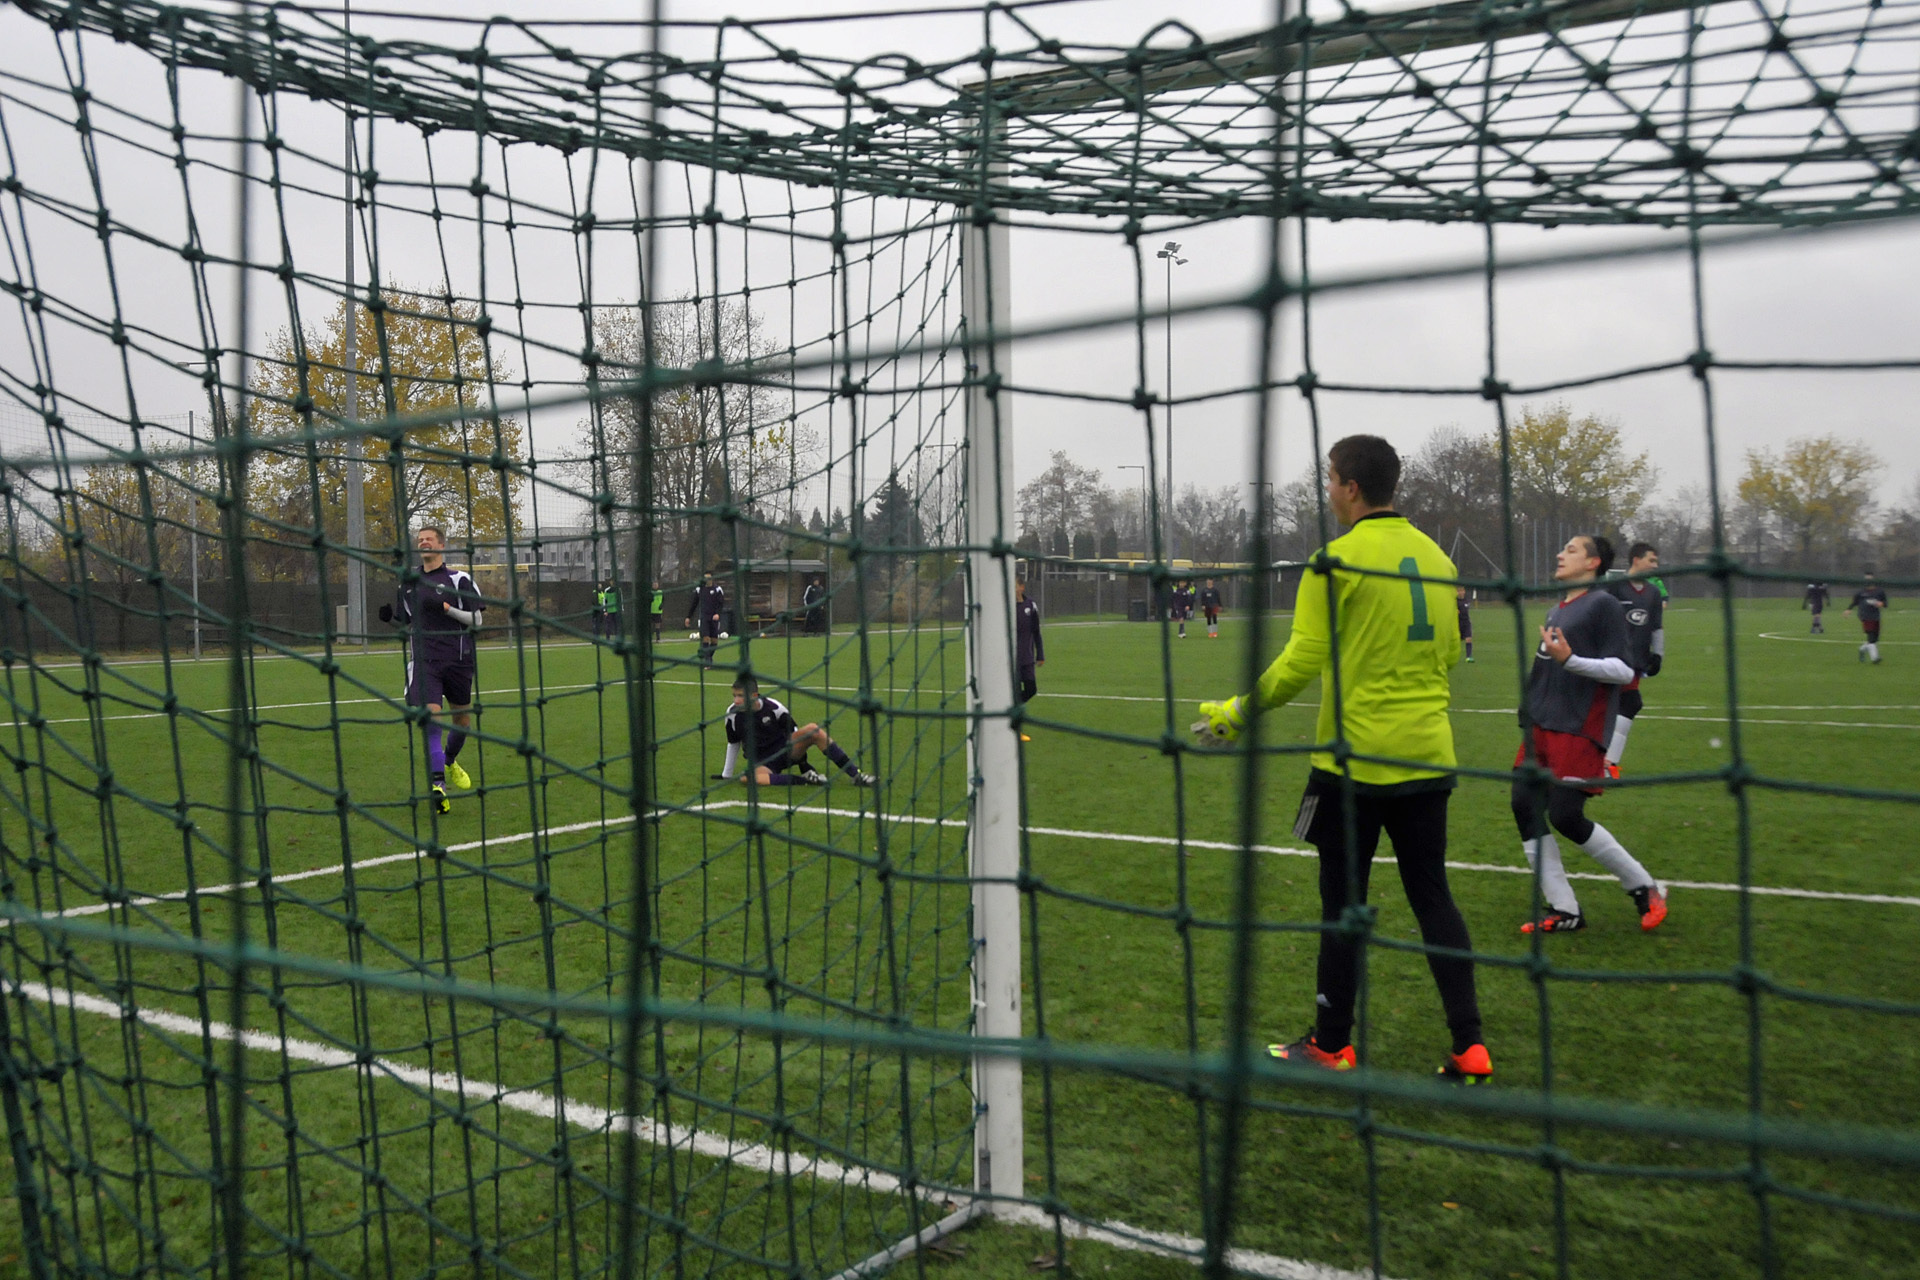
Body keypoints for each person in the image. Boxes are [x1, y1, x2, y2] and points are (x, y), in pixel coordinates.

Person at [1193, 435, 1488, 1085]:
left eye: (1330, 478)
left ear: (1351, 487)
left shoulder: (1335, 561)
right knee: (1433, 896)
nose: (1327, 489)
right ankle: (1470, 1043)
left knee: (1342, 904)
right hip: (1428, 756)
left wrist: (1239, 710)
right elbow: (1447, 654)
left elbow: (1303, 658)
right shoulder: (1437, 559)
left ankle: (1331, 1045)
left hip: (1352, 762)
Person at [1512, 534, 1668, 935]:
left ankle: (1644, 887)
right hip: (1542, 725)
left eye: (1571, 550)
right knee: (1523, 805)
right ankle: (1565, 909)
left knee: (1566, 816)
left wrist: (1572, 660)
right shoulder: (1557, 609)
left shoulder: (1603, 604)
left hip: (1578, 725)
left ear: (1593, 563)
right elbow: (1546, 667)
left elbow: (1623, 669)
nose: (1560, 554)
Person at [379, 525, 483, 815]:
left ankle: (449, 761)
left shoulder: (459, 579)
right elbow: (406, 621)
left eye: (429, 539)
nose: (423, 542)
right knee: (431, 718)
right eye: (420, 539)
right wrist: (390, 619)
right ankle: (439, 785)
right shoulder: (408, 582)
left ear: (441, 545)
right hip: (425, 662)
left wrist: (447, 609)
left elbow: (477, 621)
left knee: (462, 722)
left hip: (459, 660)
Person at [720, 673, 876, 787]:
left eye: (740, 696)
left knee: (813, 729)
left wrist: (803, 764)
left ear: (754, 695)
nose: (736, 700)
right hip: (762, 762)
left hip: (785, 751)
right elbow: (733, 743)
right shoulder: (732, 714)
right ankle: (805, 780)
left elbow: (794, 732)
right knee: (747, 779)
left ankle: (856, 775)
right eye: (734, 695)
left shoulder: (774, 708)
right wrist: (727, 775)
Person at [1603, 541, 1665, 771]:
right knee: (1627, 703)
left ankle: (1606, 764)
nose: (1655, 565)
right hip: (1613, 659)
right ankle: (1607, 764)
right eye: (1651, 560)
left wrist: (1658, 655)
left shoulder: (1653, 593)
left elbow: (1657, 627)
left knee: (1627, 703)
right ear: (1636, 560)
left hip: (1636, 662)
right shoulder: (1615, 587)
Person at [1016, 578, 1044, 741]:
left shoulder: (1030, 605)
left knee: (1031, 689)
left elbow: (1036, 632)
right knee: (1013, 692)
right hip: (1012, 660)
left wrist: (1040, 654)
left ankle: (1008, 708)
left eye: (1015, 586)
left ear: (1021, 587)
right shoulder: (1007, 607)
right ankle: (1016, 730)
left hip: (1027, 658)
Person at [686, 572, 726, 667]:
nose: (707, 580)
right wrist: (688, 617)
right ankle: (708, 661)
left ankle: (706, 656)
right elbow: (694, 604)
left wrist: (717, 613)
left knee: (714, 642)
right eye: (705, 578)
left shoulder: (717, 589)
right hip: (704, 618)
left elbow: (721, 604)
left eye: (709, 578)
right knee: (706, 638)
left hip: (714, 618)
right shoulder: (699, 589)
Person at [1847, 573, 1888, 663]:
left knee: (1874, 639)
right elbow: (1854, 602)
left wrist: (1881, 604)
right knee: (1871, 636)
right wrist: (1848, 609)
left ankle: (1862, 649)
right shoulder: (1860, 592)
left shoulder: (1880, 591)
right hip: (1865, 616)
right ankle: (1875, 658)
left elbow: (1885, 603)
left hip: (1875, 616)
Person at [1455, 585, 1474, 663]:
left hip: (1466, 623)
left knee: (1468, 639)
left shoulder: (1467, 600)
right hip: (1458, 623)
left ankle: (1468, 657)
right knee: (1456, 641)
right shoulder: (1455, 601)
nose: (1460, 593)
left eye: (1462, 591)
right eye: (1459, 591)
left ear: (1464, 591)